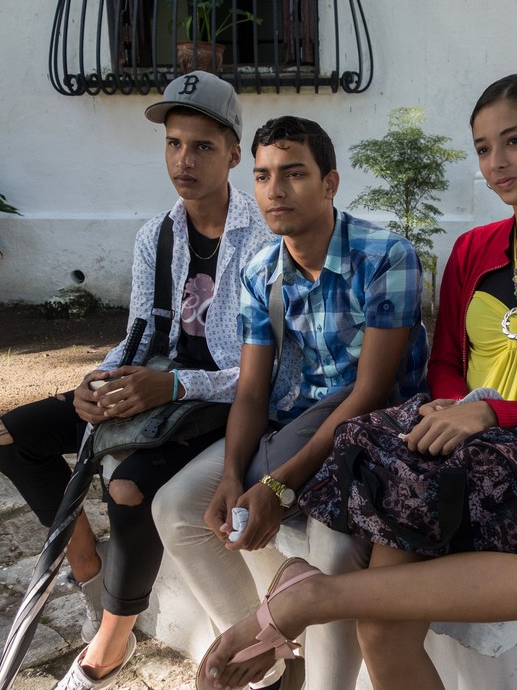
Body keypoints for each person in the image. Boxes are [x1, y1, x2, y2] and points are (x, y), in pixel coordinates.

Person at [196, 74, 517, 690]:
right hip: (450, 450)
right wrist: (459, 415)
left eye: (513, 141)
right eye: (483, 148)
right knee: (382, 631)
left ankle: (309, 599)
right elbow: (442, 363)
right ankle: (307, 598)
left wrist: (490, 414)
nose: (497, 163)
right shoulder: (471, 250)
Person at [0, 70, 275, 690]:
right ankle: (87, 562)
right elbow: (139, 336)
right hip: (160, 386)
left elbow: (263, 374)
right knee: (10, 436)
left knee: (129, 490)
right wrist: (98, 381)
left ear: (232, 152)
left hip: (224, 399)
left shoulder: (264, 237)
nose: (184, 160)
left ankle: (111, 643)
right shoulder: (158, 235)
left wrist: (170, 388)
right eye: (173, 144)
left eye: (201, 146)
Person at [153, 115, 428, 690]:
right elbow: (251, 391)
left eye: (294, 173)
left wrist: (278, 487)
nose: (275, 190)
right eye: (262, 175)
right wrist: (232, 473)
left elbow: (370, 394)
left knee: (332, 549)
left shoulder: (385, 257)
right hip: (295, 424)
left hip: (376, 433)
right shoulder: (261, 271)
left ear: (329, 183)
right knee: (178, 506)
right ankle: (269, 655)